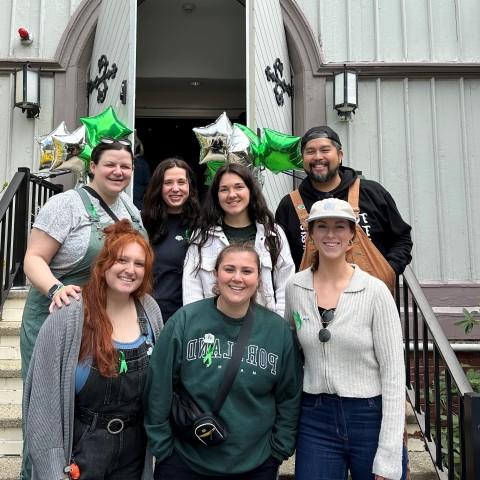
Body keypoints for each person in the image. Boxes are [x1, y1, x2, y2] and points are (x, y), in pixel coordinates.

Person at [144, 243, 302, 480]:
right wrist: (162, 445)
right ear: (216, 274)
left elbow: (289, 395)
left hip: (254, 464)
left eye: (247, 271)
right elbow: (158, 385)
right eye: (229, 269)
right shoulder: (186, 320)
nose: (237, 278)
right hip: (185, 461)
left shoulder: (277, 331)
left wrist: (279, 449)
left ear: (258, 278)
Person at [23, 220, 163, 480]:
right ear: (104, 263)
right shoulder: (69, 315)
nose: (130, 270)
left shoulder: (150, 310)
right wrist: (53, 472)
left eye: (139, 264)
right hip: (81, 454)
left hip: (134, 453)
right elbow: (43, 407)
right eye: (121, 260)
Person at [284, 198, 405, 480]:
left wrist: (388, 453)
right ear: (310, 235)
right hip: (315, 416)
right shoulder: (295, 287)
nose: (330, 234)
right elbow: (288, 350)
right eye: (322, 227)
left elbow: (394, 375)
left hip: (369, 415)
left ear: (352, 235)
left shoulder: (374, 292)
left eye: (340, 227)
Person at [20, 137, 145, 380]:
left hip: (102, 323)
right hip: (56, 320)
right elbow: (33, 259)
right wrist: (56, 290)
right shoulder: (66, 205)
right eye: (110, 165)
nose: (118, 172)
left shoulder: (129, 208)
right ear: (93, 167)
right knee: (49, 401)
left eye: (125, 166)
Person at [275, 125, 412, 274]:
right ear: (302, 159)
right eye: (310, 152)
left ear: (340, 155)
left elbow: (401, 238)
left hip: (373, 293)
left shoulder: (372, 193)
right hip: (312, 295)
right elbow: (281, 258)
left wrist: (389, 270)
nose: (318, 157)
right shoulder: (289, 205)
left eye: (325, 150)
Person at [183, 163, 294, 316]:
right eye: (224, 189)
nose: (232, 194)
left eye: (239, 187)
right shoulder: (202, 237)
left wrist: (279, 324)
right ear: (216, 195)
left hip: (263, 328)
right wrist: (197, 324)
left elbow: (285, 284)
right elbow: (192, 290)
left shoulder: (272, 234)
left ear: (250, 191)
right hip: (213, 331)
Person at [142, 157, 199, 322]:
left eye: (181, 182)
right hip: (148, 315)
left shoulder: (202, 225)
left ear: (189, 186)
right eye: (168, 183)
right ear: (159, 187)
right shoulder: (143, 223)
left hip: (188, 317)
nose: (175, 188)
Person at [133, 133, 151, 210]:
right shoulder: (142, 163)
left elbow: (148, 184)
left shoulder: (141, 163)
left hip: (137, 199)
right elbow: (148, 184)